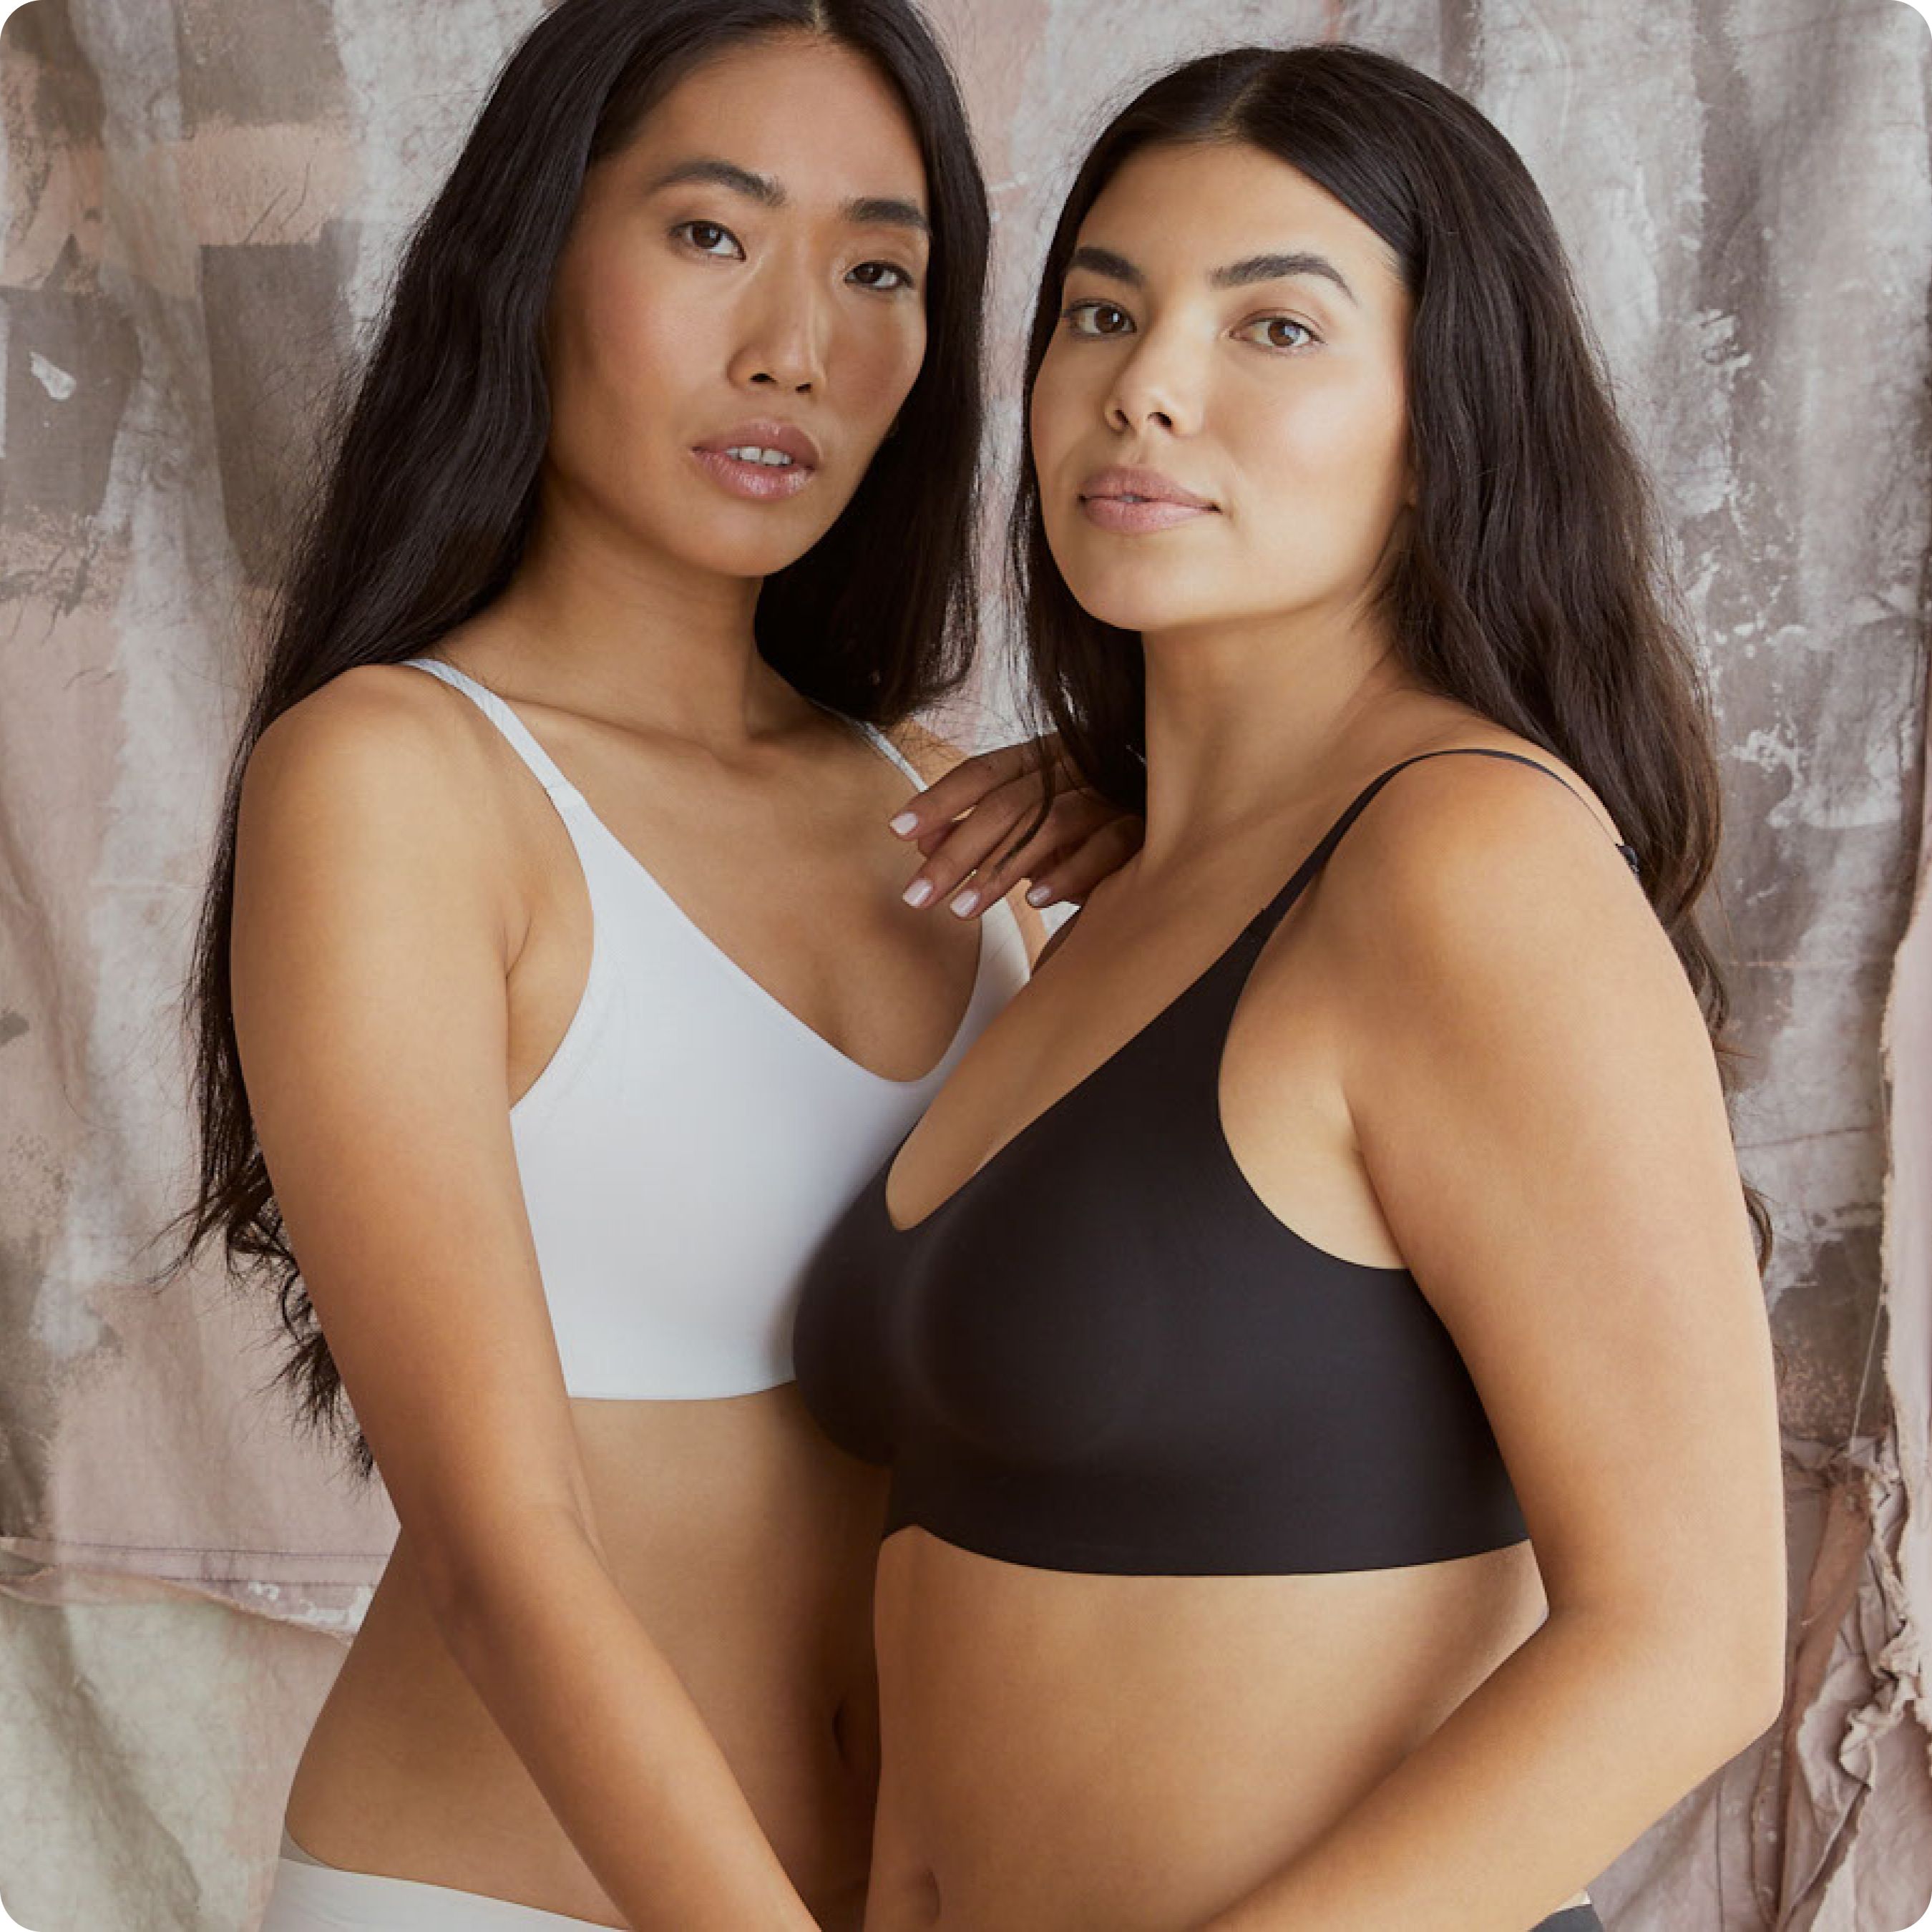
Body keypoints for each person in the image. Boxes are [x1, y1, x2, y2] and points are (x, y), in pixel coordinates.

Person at [796, 42, 1787, 1932]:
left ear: (1443, 421)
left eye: (1275, 327)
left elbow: (1690, 1639)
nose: (1144, 388)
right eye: (1103, 312)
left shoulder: (1464, 866)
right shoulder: (1122, 892)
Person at [170, 2, 1133, 1926]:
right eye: (710, 233)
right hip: (499, 1896)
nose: (796, 345)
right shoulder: (394, 778)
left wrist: (1182, 818)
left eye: (878, 270)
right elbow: (497, 1552)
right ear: (535, 257)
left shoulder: (948, 804)